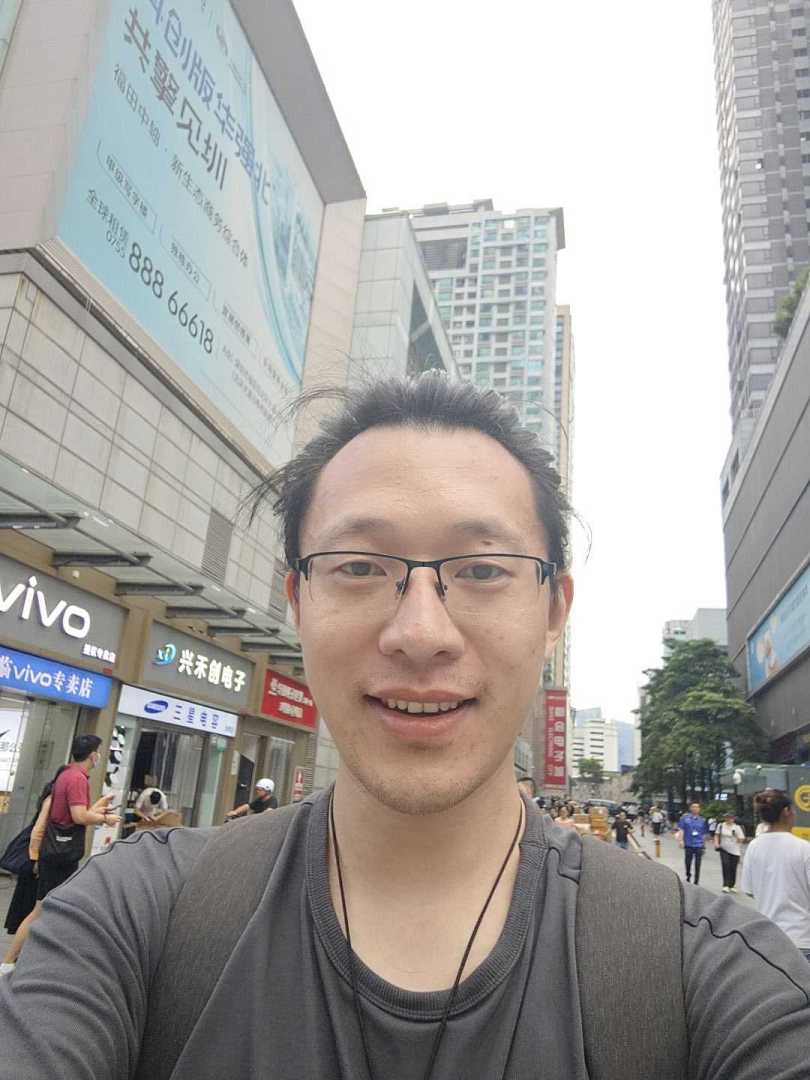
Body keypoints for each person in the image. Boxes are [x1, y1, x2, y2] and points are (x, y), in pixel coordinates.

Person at [0, 375, 808, 1076]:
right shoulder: (136, 918)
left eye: (483, 569)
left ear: (553, 612)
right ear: (297, 602)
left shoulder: (702, 973)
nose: (421, 633)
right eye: (359, 567)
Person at [0, 735, 119, 975]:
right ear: (92, 755)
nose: (99, 756)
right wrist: (105, 819)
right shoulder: (77, 779)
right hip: (59, 855)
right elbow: (78, 817)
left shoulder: (67, 774)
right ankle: (10, 962)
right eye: (99, 751)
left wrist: (98, 808)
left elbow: (71, 814)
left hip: (55, 854)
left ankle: (33, 960)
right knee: (42, 908)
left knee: (53, 907)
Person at [742, 789, 810, 963]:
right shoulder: (804, 849)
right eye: (793, 809)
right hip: (802, 940)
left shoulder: (754, 847)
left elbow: (749, 890)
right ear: (786, 811)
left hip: (768, 941)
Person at [676, 802, 709, 885]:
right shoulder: (685, 818)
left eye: (697, 807)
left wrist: (704, 845)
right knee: (688, 861)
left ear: (699, 809)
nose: (695, 808)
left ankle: (696, 880)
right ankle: (688, 875)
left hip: (699, 844)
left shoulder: (702, 820)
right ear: (690, 808)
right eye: (693, 807)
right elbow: (681, 830)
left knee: (698, 863)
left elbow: (704, 833)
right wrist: (681, 840)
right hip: (688, 843)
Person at [714, 810, 745, 893]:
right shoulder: (721, 826)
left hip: (735, 850)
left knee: (733, 867)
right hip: (724, 849)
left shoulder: (737, 827)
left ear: (733, 819)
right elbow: (717, 835)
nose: (728, 819)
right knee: (725, 865)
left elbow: (742, 838)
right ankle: (725, 885)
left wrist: (737, 838)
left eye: (730, 818)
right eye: (727, 817)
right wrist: (716, 843)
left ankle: (732, 885)